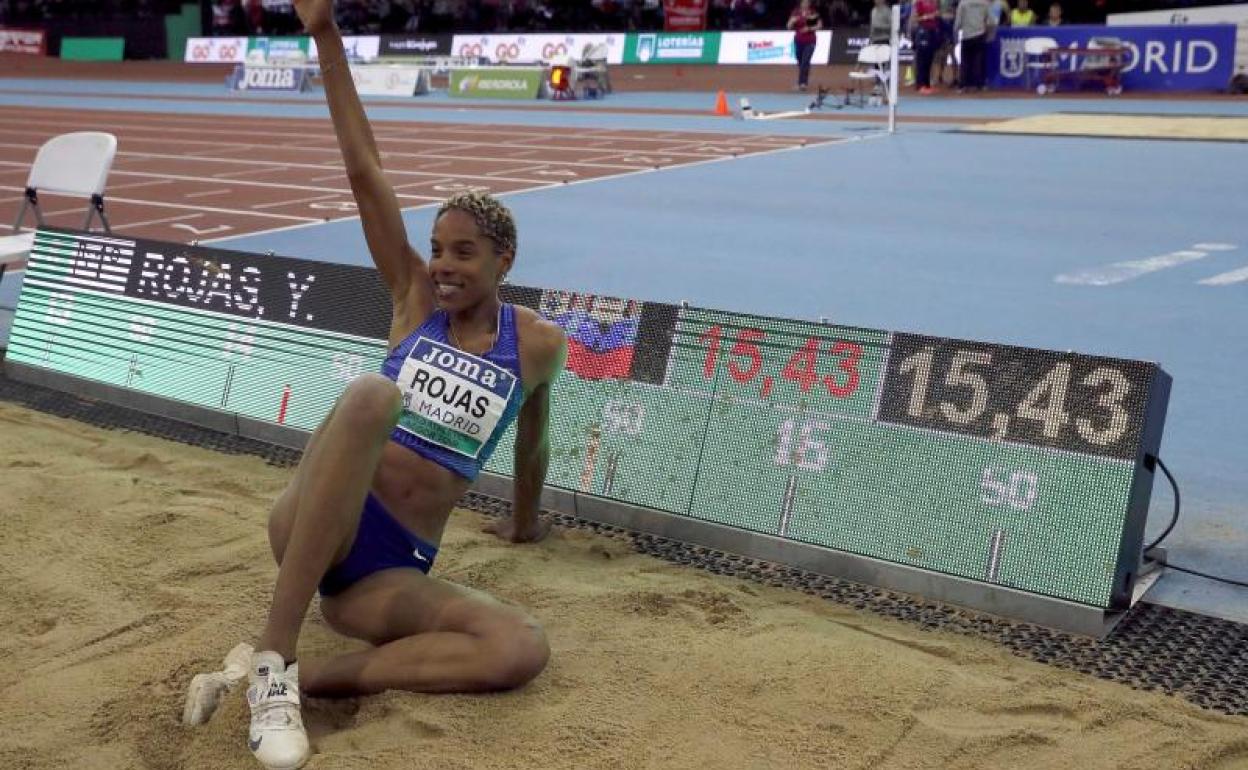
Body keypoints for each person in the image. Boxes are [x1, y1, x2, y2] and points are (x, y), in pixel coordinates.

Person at [185, 0, 569, 767]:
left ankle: (294, 680)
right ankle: (272, 658)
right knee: (372, 395)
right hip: (317, 523)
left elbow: (534, 444)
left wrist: (525, 523)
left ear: (504, 263)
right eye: (435, 247)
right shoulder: (412, 300)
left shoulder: (537, 345)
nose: (443, 265)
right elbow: (366, 173)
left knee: (518, 647)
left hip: (385, 576)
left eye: (463, 252)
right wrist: (325, 34)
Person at [954, 0, 992, 90]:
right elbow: (990, 20)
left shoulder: (963, 3)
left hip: (967, 35)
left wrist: (955, 30)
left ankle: (964, 85)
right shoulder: (984, 3)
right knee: (978, 61)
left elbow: (958, 21)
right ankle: (980, 84)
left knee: (965, 61)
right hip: (980, 34)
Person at [787, 0, 822, 92]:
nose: (805, 4)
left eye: (807, 2)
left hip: (810, 41)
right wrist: (792, 21)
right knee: (800, 62)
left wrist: (809, 28)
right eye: (804, 2)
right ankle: (804, 77)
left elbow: (819, 26)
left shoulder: (813, 13)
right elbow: (789, 26)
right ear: (801, 3)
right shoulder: (796, 12)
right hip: (798, 41)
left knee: (805, 62)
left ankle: (802, 84)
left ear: (809, 4)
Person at [908, 0, 940, 93]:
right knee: (921, 59)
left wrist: (936, 15)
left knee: (929, 58)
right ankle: (920, 84)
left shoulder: (933, 2)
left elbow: (936, 14)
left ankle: (927, 84)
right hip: (923, 31)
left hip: (932, 31)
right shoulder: (919, 2)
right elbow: (915, 18)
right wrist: (927, 17)